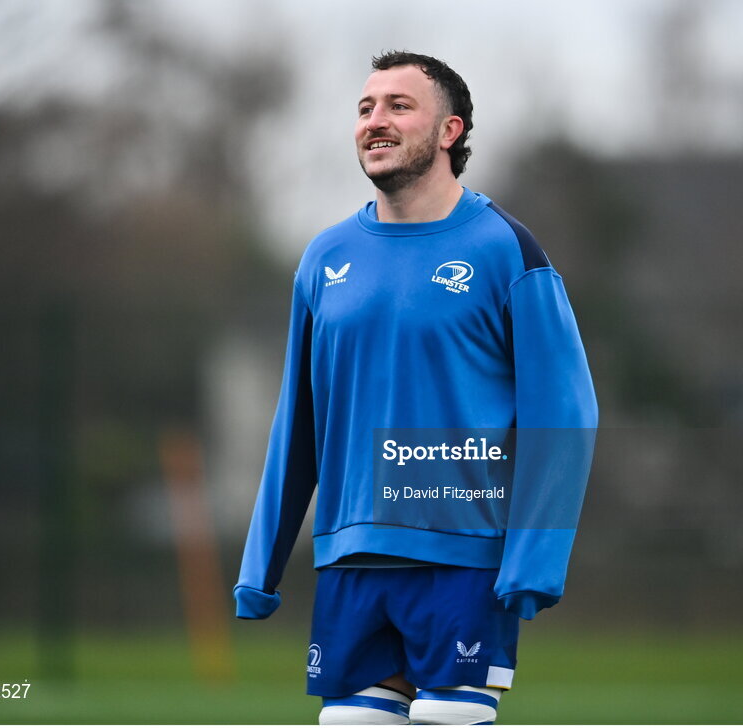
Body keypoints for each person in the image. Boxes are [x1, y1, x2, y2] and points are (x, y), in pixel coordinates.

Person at [234, 50, 598, 725]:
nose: (376, 120)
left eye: (399, 106)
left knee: (445, 719)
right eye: (366, 108)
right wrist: (262, 563)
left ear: (450, 131)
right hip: (350, 556)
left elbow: (565, 412)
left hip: (461, 559)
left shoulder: (504, 250)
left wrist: (536, 554)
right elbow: (299, 426)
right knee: (350, 721)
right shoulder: (324, 259)